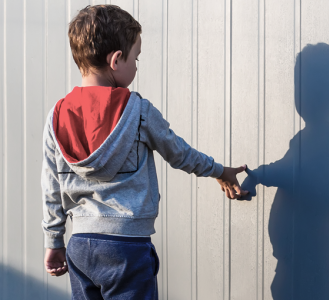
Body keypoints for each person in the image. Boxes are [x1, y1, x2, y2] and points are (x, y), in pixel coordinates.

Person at [41, 4, 248, 299]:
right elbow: (180, 153)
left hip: (80, 246)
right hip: (126, 247)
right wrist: (219, 170)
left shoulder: (57, 115)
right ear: (116, 60)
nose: (137, 65)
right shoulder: (137, 111)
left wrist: (53, 240)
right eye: (136, 58)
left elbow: (51, 186)